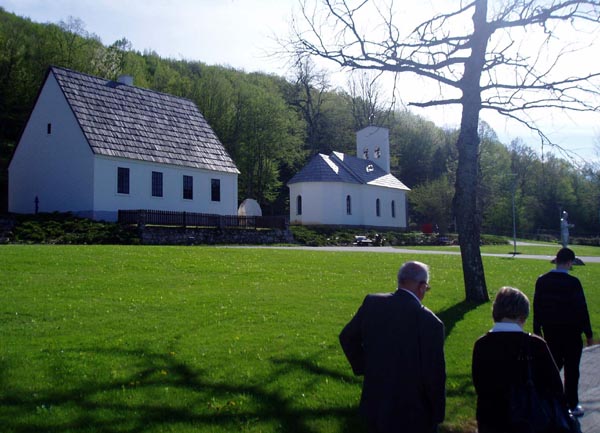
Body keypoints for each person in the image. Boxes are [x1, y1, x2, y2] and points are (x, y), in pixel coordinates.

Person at [339, 261, 446, 433]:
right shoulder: (429, 322)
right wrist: (437, 414)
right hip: (413, 411)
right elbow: (434, 374)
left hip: (376, 400)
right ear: (422, 287)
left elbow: (347, 337)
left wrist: (365, 366)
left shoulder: (372, 303)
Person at [472, 287, 565, 433]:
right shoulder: (536, 345)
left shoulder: (482, 345)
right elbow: (555, 387)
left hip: (491, 419)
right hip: (531, 419)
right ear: (522, 317)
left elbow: (479, 384)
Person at [534, 247, 594, 417]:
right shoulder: (573, 283)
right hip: (571, 332)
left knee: (553, 366)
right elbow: (581, 309)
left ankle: (546, 399)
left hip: (551, 331)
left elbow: (538, 306)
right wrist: (588, 333)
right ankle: (571, 404)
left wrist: (537, 329)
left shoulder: (542, 281)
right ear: (569, 262)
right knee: (572, 369)